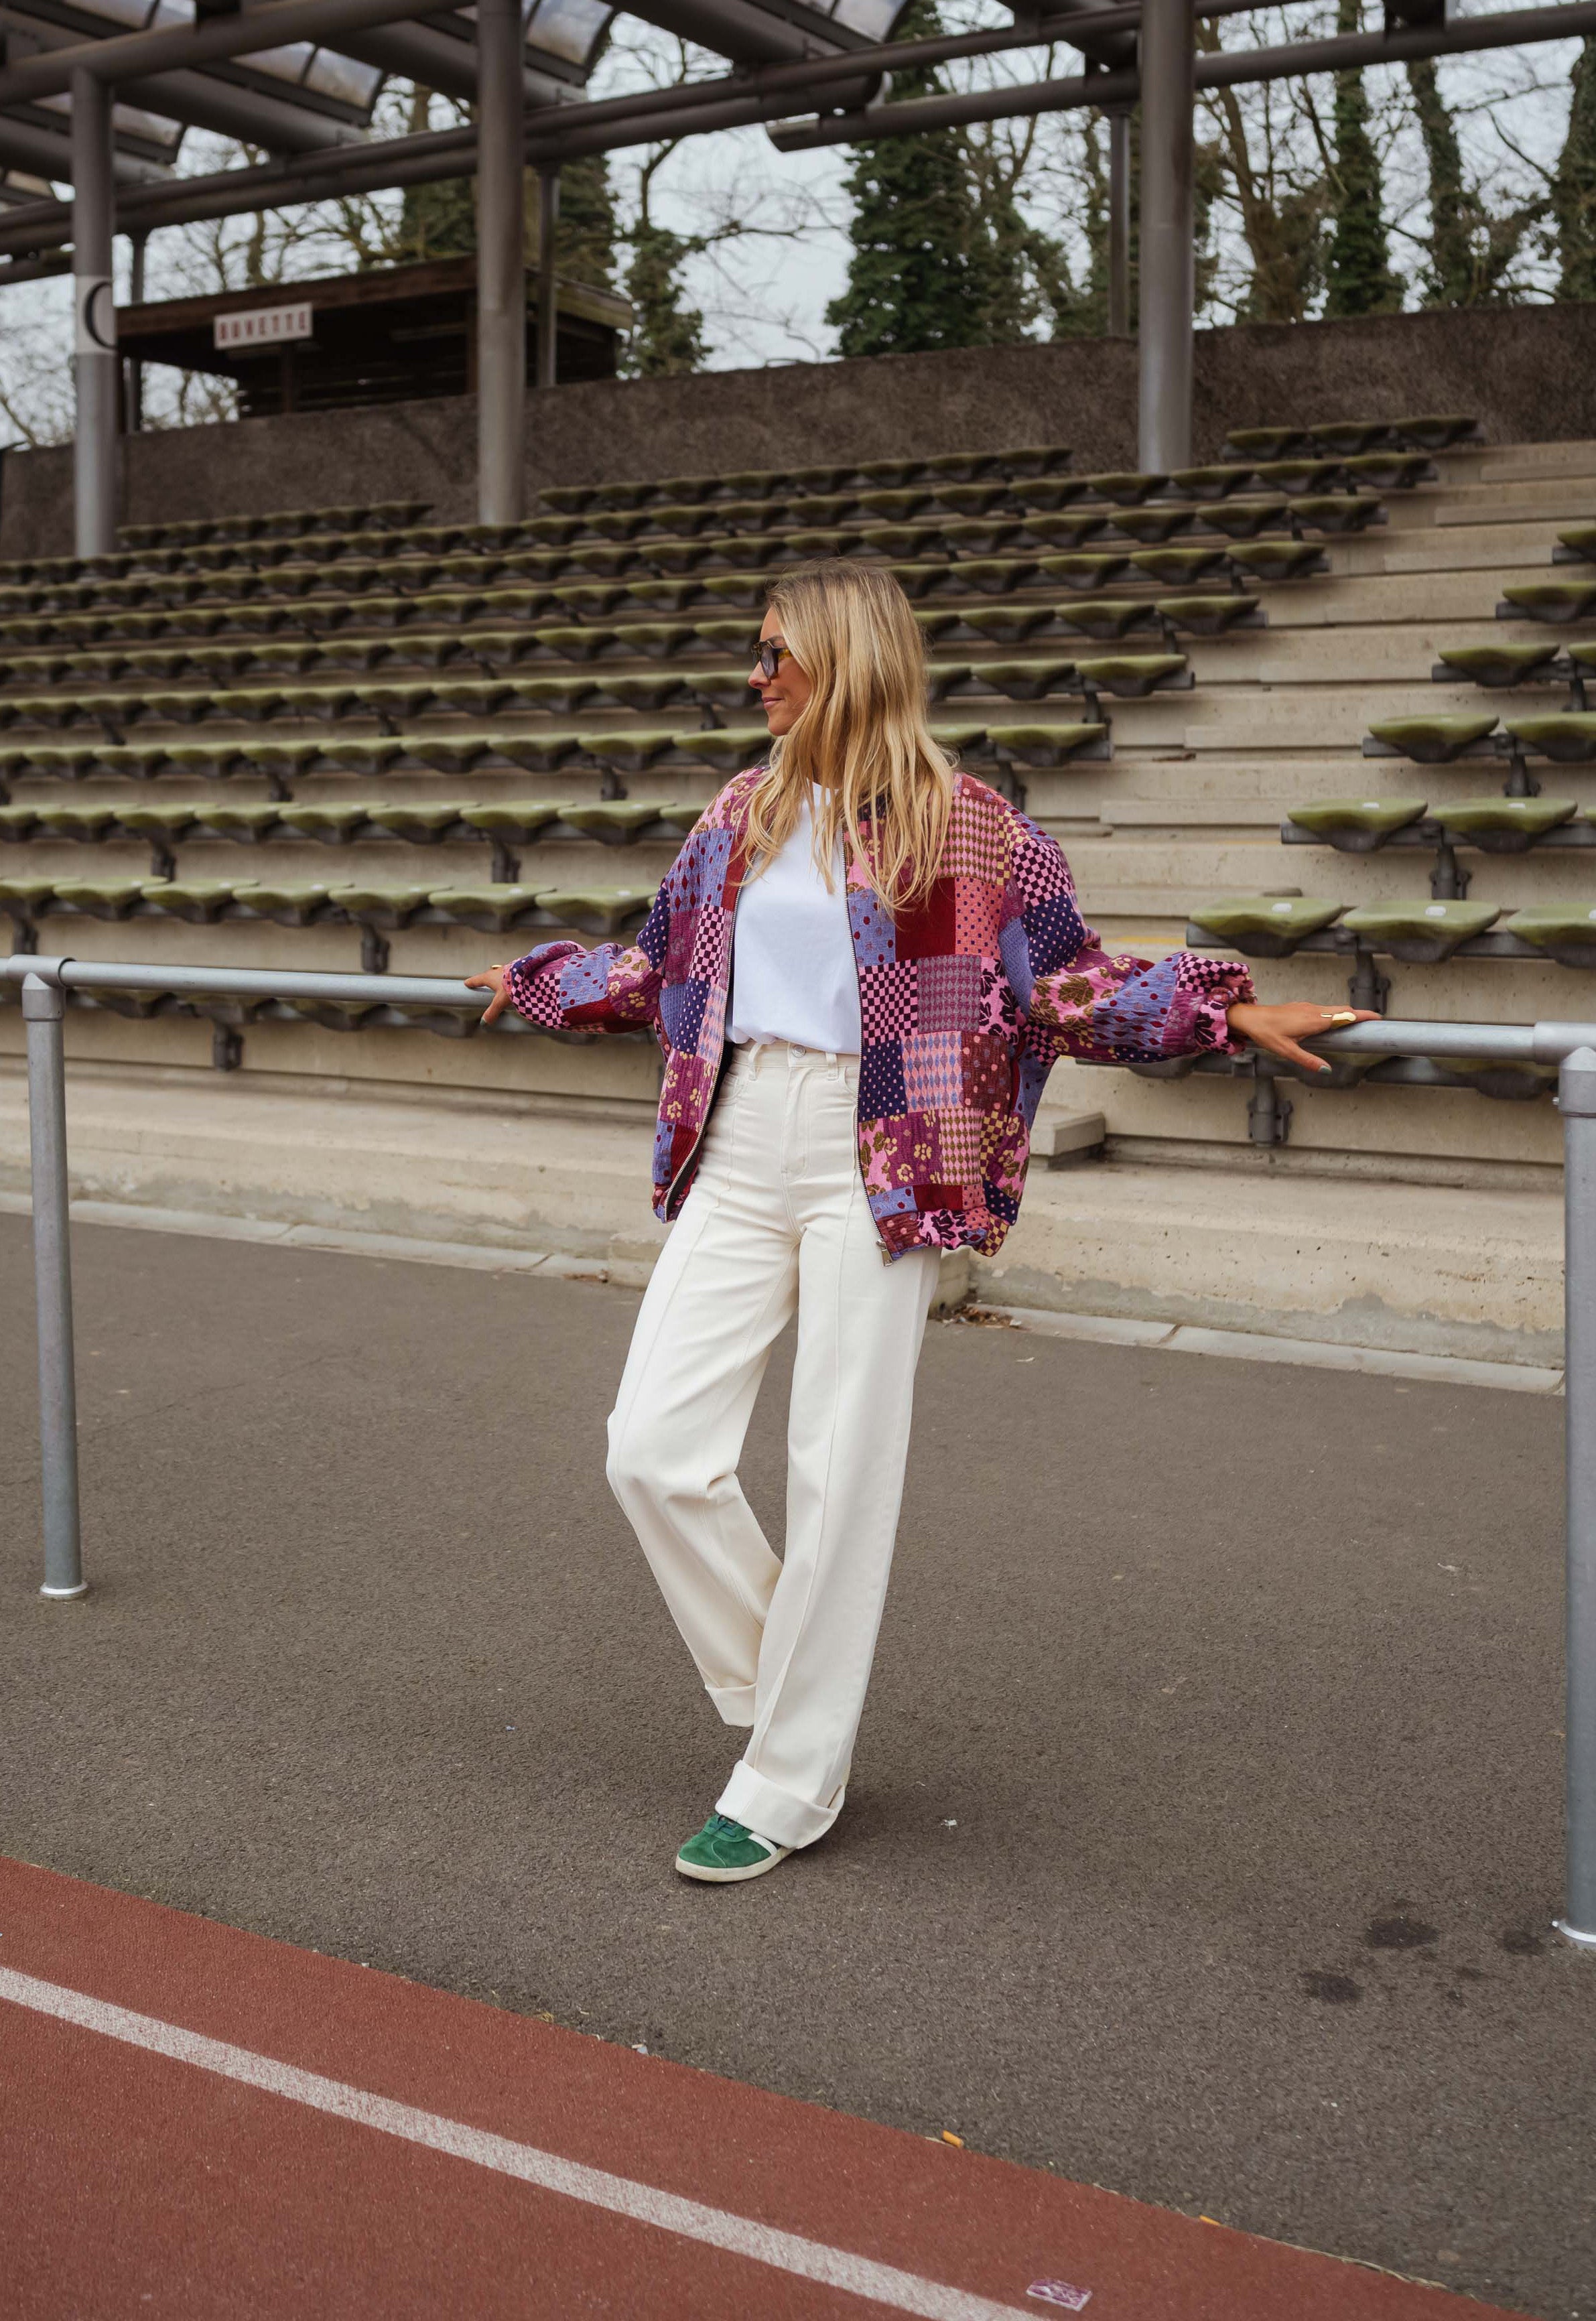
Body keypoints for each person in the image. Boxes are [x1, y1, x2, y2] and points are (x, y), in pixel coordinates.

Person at [467, 560, 1373, 1885]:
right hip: (739, 1134)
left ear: (851, 658)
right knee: (650, 1448)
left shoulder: (972, 828)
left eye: (779, 652)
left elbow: (1068, 981)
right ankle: (796, 1689)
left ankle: (787, 1780)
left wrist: (1219, 1005)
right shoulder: (741, 811)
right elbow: (662, 970)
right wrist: (543, 980)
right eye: (754, 651)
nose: (757, 675)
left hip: (880, 1151)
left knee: (839, 1468)